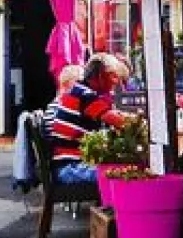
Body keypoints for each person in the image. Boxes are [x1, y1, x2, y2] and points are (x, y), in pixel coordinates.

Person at [48, 54, 129, 184]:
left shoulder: (79, 91)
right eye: (113, 76)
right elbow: (117, 120)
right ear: (101, 75)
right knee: (126, 173)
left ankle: (110, 204)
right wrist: (142, 122)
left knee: (124, 169)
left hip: (69, 166)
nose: (116, 81)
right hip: (71, 169)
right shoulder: (84, 95)